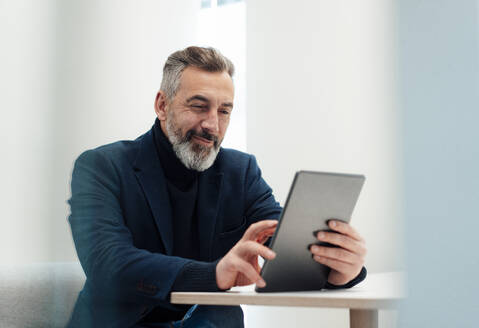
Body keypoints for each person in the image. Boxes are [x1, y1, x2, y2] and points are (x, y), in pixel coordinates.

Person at [67, 46, 367, 328]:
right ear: (162, 105)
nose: (212, 124)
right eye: (199, 106)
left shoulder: (241, 171)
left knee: (220, 311)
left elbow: (283, 240)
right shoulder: (102, 166)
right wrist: (213, 274)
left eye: (224, 111)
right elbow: (107, 262)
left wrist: (339, 270)